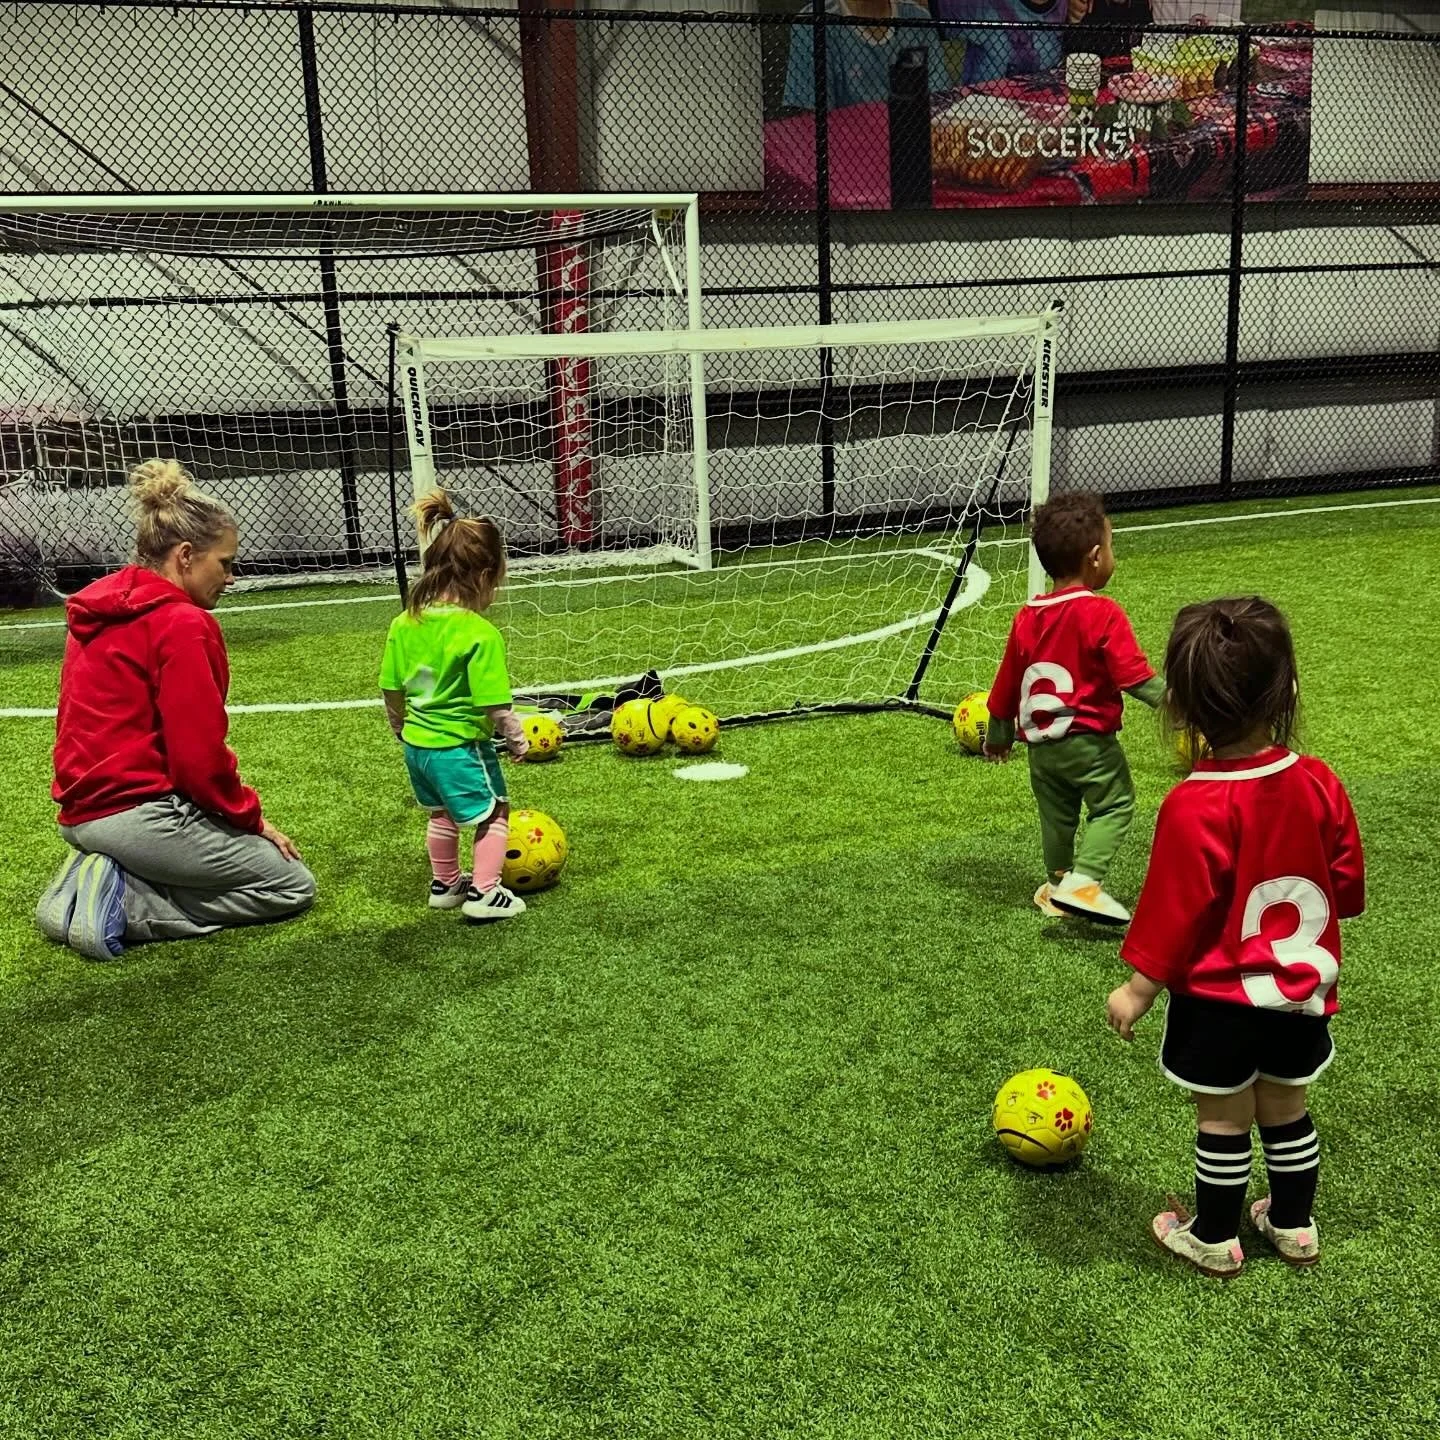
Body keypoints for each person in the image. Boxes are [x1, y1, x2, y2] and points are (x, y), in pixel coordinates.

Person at [1106, 598, 1364, 1277]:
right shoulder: (1319, 782)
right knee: (1287, 1105)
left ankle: (1215, 1237)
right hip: (1300, 989)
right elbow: (1346, 883)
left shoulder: (1193, 804)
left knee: (1223, 1118)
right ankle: (1293, 1225)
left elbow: (1170, 913)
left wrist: (1136, 990)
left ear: (1183, 711)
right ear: (1287, 692)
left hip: (1221, 1000)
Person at [35, 460, 315, 961]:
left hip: (81, 814)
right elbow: (198, 760)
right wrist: (251, 821)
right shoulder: (182, 623)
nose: (231, 577)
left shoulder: (106, 605)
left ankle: (101, 873)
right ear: (186, 556)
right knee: (289, 884)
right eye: (225, 563)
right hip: (135, 814)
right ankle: (117, 905)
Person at [982, 493, 1162, 922]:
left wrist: (999, 737)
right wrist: (1182, 703)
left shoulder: (1027, 615)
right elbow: (1134, 677)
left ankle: (1058, 887)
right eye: (1111, 547)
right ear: (1095, 557)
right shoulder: (1102, 613)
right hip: (1089, 743)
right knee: (1114, 804)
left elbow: (1006, 685)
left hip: (1041, 750)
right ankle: (1084, 884)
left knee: (1056, 818)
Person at [379, 491, 530, 923]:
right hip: (460, 746)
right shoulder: (478, 634)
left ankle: (445, 885)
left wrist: (399, 726)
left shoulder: (405, 623)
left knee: (440, 812)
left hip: (417, 748)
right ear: (485, 574)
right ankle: (485, 892)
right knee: (495, 811)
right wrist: (517, 740)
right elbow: (495, 705)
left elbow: (391, 687)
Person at [783, 0, 951, 112]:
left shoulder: (918, 18)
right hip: (843, 151)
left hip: (910, 145)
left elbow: (940, 97)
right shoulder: (813, 24)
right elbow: (809, 118)